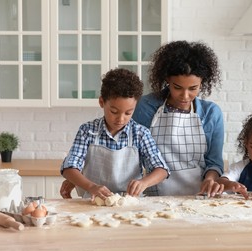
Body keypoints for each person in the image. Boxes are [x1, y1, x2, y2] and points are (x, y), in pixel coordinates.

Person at [60, 68, 169, 200]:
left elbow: (161, 169)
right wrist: (91, 186)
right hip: (92, 202)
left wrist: (144, 182)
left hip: (129, 203)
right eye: (114, 111)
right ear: (102, 102)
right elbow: (69, 167)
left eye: (128, 113)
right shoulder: (87, 131)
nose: (121, 119)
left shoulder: (140, 134)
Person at [132, 40, 224, 196]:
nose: (185, 96)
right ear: (167, 80)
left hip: (198, 196)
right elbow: (132, 154)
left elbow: (214, 162)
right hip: (155, 197)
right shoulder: (146, 107)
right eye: (177, 87)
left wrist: (210, 179)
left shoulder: (211, 113)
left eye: (193, 88)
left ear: (202, 82)